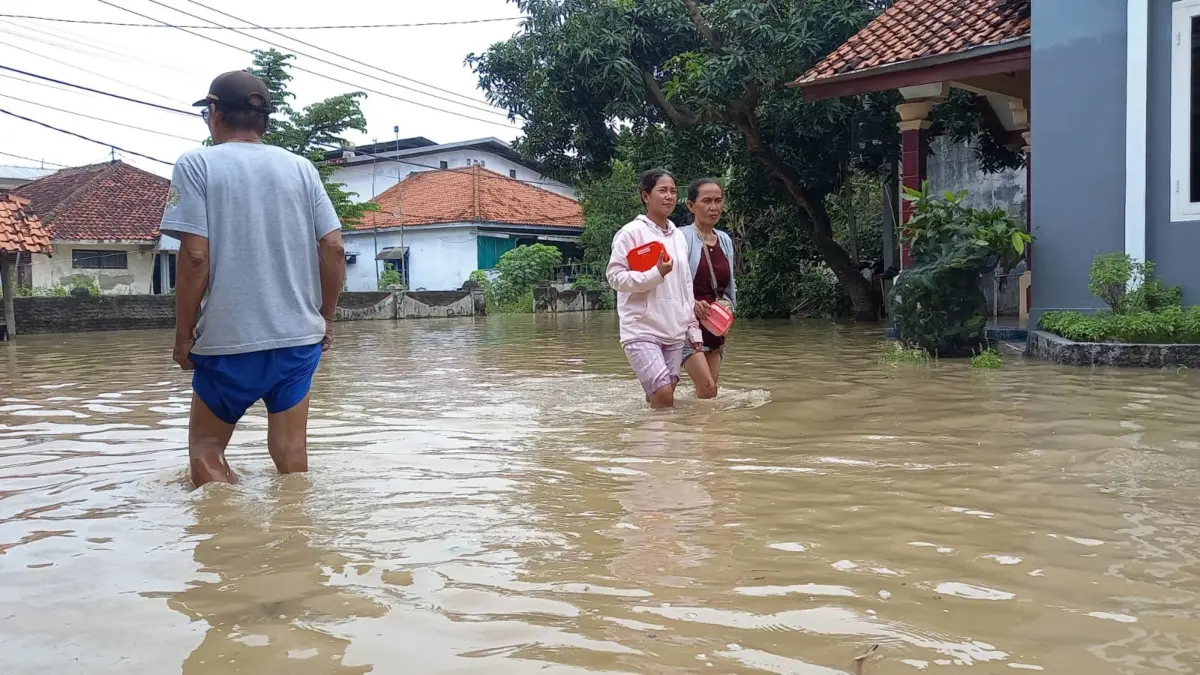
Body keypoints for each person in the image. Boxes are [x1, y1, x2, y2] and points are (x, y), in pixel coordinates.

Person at [160, 70, 346, 488]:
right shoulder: (302, 168)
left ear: (214, 114)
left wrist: (184, 336)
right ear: (264, 121)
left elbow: (195, 258)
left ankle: (226, 526)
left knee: (207, 450)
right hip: (298, 340)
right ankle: (295, 526)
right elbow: (334, 247)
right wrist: (326, 319)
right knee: (291, 456)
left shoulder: (196, 164)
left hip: (227, 341)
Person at [606, 169, 702, 409]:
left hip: (674, 329)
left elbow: (685, 285)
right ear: (645, 196)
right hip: (641, 328)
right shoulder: (630, 233)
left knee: (662, 396)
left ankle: (651, 432)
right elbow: (615, 277)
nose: (669, 196)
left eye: (673, 191)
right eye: (662, 190)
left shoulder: (678, 236)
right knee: (663, 393)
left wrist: (692, 327)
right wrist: (655, 274)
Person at [680, 179, 737, 399]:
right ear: (691, 206)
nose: (714, 207)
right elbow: (669, 282)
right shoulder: (680, 237)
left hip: (714, 324)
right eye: (706, 201)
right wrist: (691, 303)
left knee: (709, 394)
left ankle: (698, 423)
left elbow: (729, 285)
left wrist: (729, 309)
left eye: (718, 200)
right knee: (707, 387)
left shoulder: (724, 240)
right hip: (687, 323)